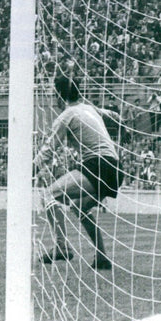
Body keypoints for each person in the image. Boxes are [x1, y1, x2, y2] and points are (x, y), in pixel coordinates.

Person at [35, 74, 122, 270]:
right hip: (116, 168)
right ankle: (101, 257)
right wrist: (122, 123)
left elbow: (49, 150)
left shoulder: (66, 115)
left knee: (48, 195)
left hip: (98, 165)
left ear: (59, 95)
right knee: (79, 208)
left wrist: (32, 168)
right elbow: (113, 115)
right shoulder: (89, 108)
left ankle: (62, 246)